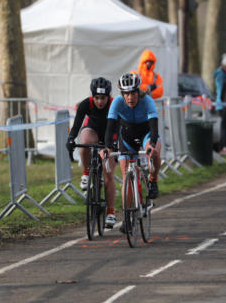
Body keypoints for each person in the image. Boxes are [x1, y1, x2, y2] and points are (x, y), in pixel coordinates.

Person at [100, 72, 161, 232]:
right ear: (122, 94)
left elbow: (154, 126)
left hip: (146, 133)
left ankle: (153, 180)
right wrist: (107, 148)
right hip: (127, 136)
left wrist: (151, 145)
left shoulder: (146, 100)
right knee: (127, 174)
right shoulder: (117, 103)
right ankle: (127, 217)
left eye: (133, 93)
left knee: (153, 153)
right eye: (126, 94)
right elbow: (110, 127)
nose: (130, 97)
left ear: (137, 92)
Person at [66, 77, 118, 228]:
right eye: (96, 98)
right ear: (92, 96)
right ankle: (86, 172)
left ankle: (110, 212)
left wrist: (113, 145)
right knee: (85, 142)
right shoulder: (85, 104)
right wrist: (70, 139)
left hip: (110, 134)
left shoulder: (115, 104)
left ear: (108, 97)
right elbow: (76, 126)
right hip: (93, 130)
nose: (100, 102)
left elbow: (119, 127)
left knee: (108, 176)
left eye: (103, 98)